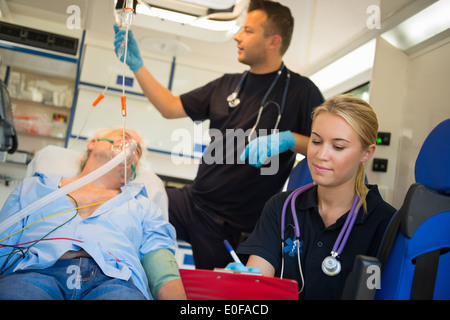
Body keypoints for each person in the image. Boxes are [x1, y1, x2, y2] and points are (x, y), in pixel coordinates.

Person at [114, 0, 324, 269]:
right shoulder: (227, 83)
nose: (237, 36)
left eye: (248, 30)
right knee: (128, 201)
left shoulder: (301, 91)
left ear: (273, 42)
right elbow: (169, 107)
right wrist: (137, 65)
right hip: (192, 202)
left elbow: (324, 145)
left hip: (234, 227)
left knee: (218, 295)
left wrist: (289, 139)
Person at [230, 94, 397, 299]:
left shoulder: (385, 224)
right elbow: (257, 284)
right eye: (316, 141)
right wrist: (245, 285)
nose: (321, 154)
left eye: (338, 147)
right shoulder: (281, 208)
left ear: (367, 153)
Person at [0, 128, 186, 300]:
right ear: (93, 143)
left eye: (138, 151)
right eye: (125, 136)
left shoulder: (143, 206)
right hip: (34, 273)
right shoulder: (34, 187)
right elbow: (4, 241)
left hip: (114, 281)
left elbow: (161, 266)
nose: (132, 146)